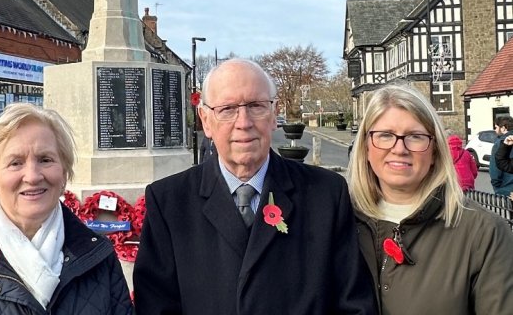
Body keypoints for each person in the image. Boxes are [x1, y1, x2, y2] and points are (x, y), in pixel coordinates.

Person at [134, 59, 376, 315]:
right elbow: (155, 306)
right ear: (206, 121)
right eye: (227, 109)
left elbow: (353, 303)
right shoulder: (169, 202)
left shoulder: (326, 194)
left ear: (274, 114)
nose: (244, 122)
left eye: (256, 106)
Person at [0, 103, 133, 314]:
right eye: (15, 163)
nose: (33, 176)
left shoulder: (100, 255)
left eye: (46, 159)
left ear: (64, 172)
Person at [347, 84, 513, 315]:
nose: (399, 148)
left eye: (415, 137)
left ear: (435, 151)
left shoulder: (484, 233)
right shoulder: (339, 222)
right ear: (366, 147)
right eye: (385, 135)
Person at [489, 116, 513, 196]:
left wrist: (496, 186)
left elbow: (495, 169)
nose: (495, 130)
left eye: (496, 127)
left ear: (503, 128)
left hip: (506, 188)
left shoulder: (499, 143)